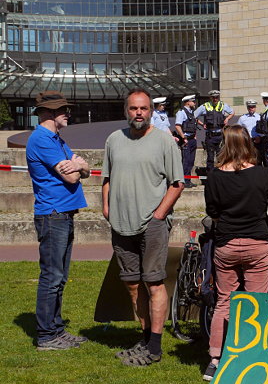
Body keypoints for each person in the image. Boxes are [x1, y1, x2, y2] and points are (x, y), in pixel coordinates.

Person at [102, 88, 185, 366]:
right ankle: (145, 337)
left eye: (144, 108)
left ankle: (155, 346)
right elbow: (107, 178)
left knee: (154, 283)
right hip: (121, 223)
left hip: (152, 224)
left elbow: (177, 184)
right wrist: (106, 208)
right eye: (133, 108)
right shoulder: (114, 140)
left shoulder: (164, 141)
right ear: (126, 111)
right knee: (133, 285)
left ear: (151, 111)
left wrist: (159, 214)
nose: (138, 113)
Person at [202, 125, 268, 381]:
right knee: (255, 303)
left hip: (226, 245)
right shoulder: (262, 175)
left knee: (224, 302)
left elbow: (213, 213)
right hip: (257, 245)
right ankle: (253, 357)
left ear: (223, 145)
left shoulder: (215, 176)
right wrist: (263, 222)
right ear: (249, 144)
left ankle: (215, 360)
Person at [26, 91, 90, 351]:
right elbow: (74, 177)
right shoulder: (42, 140)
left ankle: (56, 330)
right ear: (50, 113)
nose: (68, 113)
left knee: (60, 277)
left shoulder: (56, 139)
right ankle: (46, 336)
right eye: (63, 109)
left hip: (61, 213)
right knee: (52, 277)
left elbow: (83, 170)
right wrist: (78, 167)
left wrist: (80, 165)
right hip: (53, 215)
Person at [195, 90, 233, 171]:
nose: (215, 99)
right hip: (210, 136)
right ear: (210, 98)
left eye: (217, 97)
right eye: (213, 97)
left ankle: (221, 174)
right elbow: (193, 116)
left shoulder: (223, 105)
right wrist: (202, 124)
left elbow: (232, 112)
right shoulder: (205, 106)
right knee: (210, 158)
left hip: (220, 136)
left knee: (221, 156)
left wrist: (227, 119)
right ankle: (210, 176)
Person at [175, 94, 198, 188]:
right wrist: (183, 137)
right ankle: (184, 181)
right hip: (186, 140)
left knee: (191, 161)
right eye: (193, 101)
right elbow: (177, 126)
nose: (195, 103)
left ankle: (188, 180)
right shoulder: (181, 112)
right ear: (188, 102)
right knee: (186, 161)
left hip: (192, 139)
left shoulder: (191, 112)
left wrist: (194, 136)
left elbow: (193, 125)